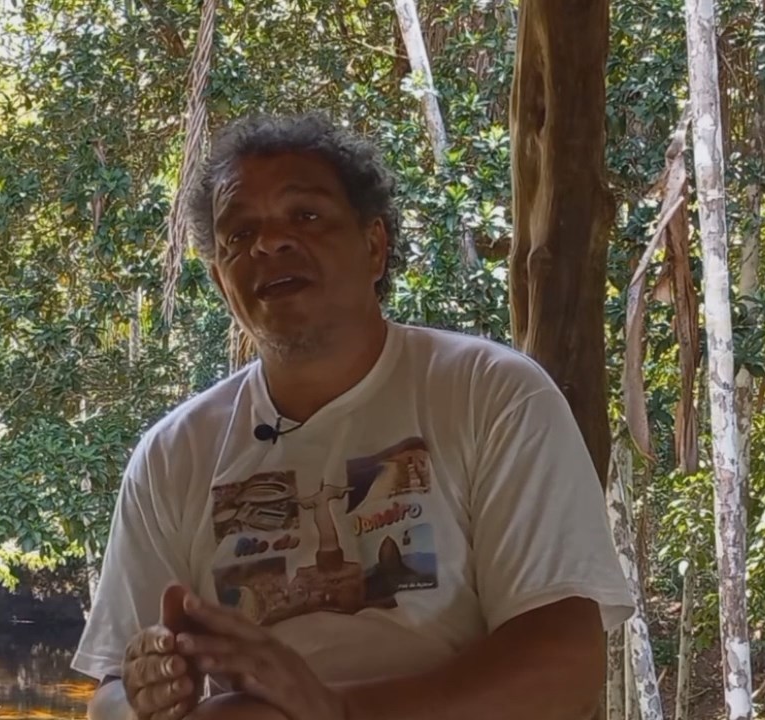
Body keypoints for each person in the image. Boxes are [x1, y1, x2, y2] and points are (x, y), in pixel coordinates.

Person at [71, 112, 634, 720]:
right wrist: (145, 695)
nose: (269, 244)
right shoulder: (173, 454)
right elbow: (109, 696)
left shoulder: (489, 394)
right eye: (240, 232)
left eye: (306, 216)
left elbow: (565, 667)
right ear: (220, 281)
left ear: (374, 246)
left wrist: (333, 712)